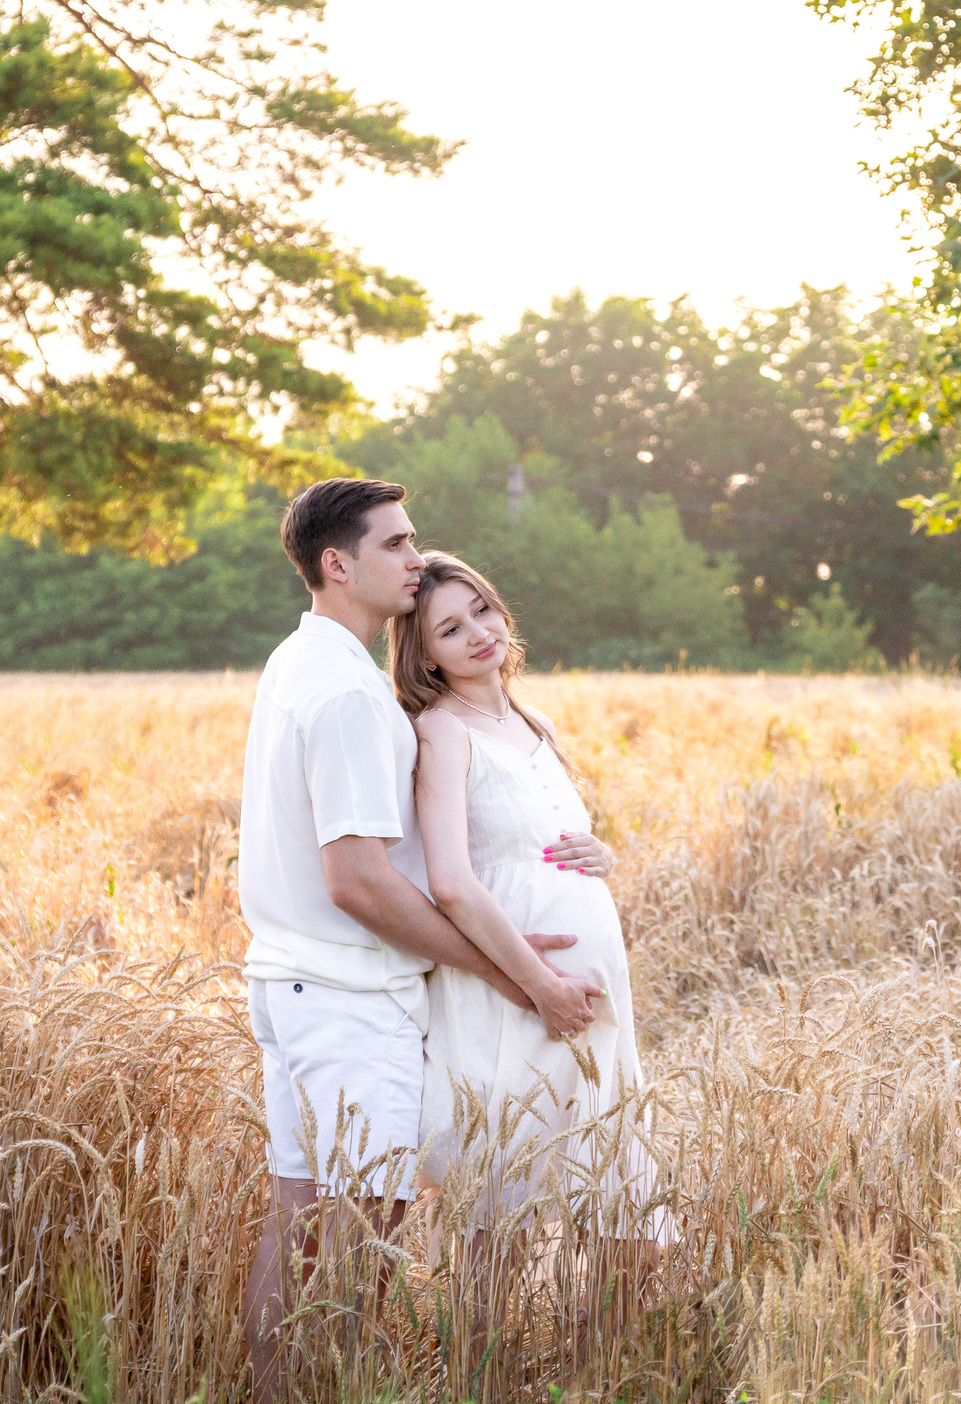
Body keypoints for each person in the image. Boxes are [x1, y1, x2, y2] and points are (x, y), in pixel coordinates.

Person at [238, 478, 615, 1400]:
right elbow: (357, 879)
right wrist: (507, 971)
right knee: (362, 1233)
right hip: (347, 996)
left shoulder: (301, 662)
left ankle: (276, 1388)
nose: (416, 558)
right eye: (397, 545)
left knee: (302, 1220)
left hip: (295, 984)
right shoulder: (349, 697)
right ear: (339, 563)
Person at [390, 553, 671, 1348]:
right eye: (450, 627)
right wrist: (537, 980)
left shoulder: (529, 718)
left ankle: (584, 1374)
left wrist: (600, 855)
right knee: (501, 1219)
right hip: (515, 992)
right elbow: (452, 880)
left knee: (631, 1226)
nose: (478, 632)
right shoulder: (440, 731)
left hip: (590, 1000)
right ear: (425, 652)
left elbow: (535, 840)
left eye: (482, 609)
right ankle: (482, 1375)